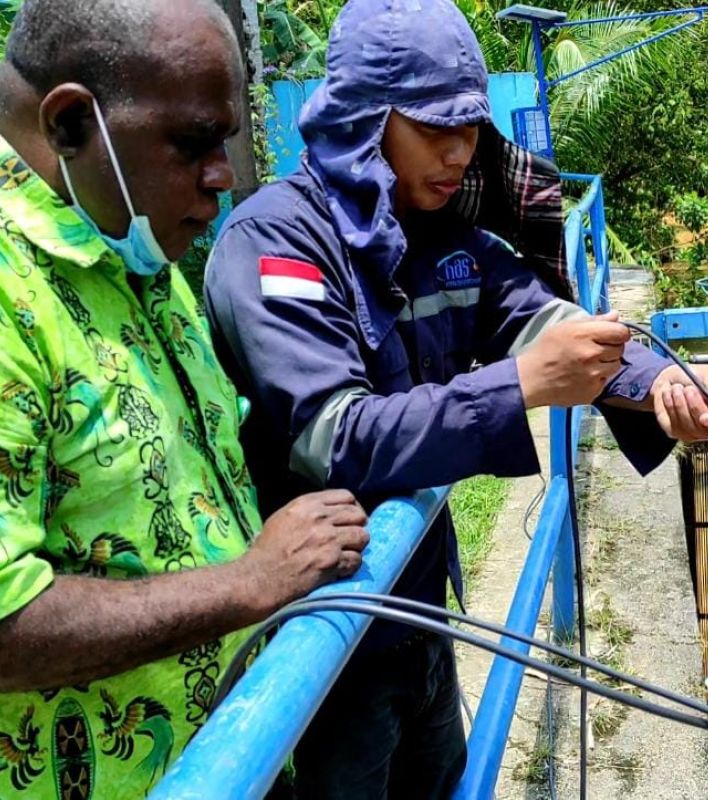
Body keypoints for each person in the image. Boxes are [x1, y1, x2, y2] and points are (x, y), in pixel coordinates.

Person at [203, 0, 708, 797]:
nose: (459, 152)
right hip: (326, 638)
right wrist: (522, 385)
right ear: (366, 119)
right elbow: (332, 435)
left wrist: (657, 381)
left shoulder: (444, 236)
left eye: (471, 129)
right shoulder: (277, 242)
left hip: (421, 603)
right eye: (433, 127)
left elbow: (540, 316)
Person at [0, 1, 371, 797]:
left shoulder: (124, 233)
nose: (224, 176)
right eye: (195, 144)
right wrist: (250, 583)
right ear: (70, 123)